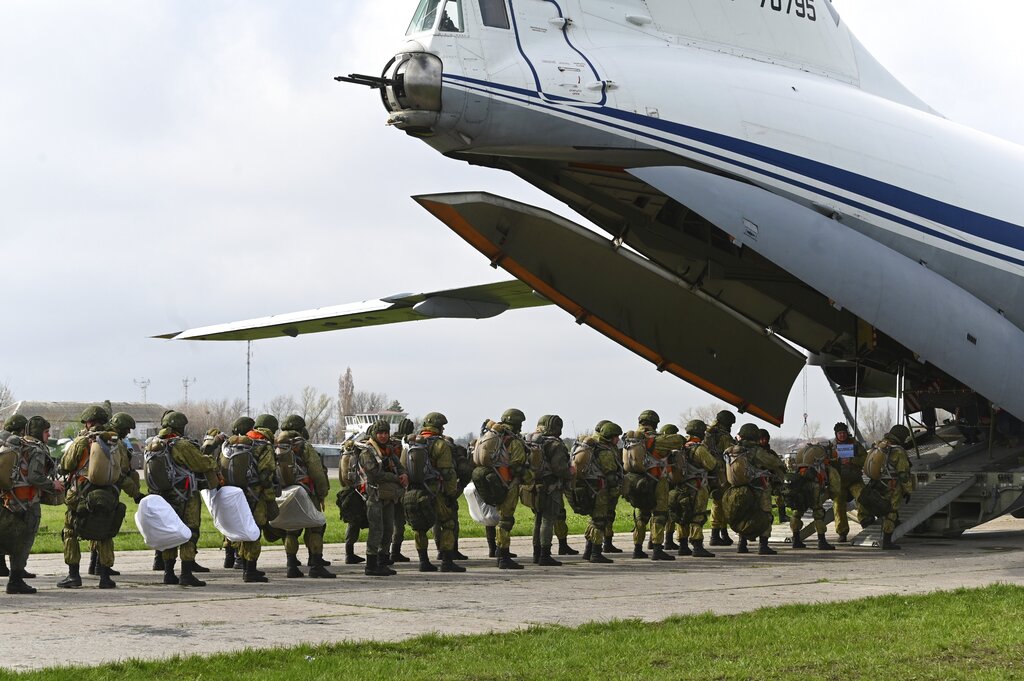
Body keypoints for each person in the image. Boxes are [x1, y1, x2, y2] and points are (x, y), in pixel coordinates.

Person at [57, 405, 140, 589]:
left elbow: (65, 465)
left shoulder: (81, 440)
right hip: (108, 494)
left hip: (80, 494)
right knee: (105, 534)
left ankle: (73, 576)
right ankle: (104, 577)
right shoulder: (115, 442)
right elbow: (123, 471)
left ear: (88, 423)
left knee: (70, 531)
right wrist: (135, 493)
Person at [150, 410, 219, 587]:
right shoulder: (181, 445)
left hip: (164, 495)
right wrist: (211, 459)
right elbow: (200, 463)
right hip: (185, 495)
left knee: (171, 531)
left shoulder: (154, 443)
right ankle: (186, 574)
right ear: (180, 427)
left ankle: (168, 573)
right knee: (189, 531)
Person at [2, 417, 63, 594]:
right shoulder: (36, 450)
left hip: (12, 500)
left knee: (13, 538)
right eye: (46, 431)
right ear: (38, 433)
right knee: (24, 542)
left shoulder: (20, 445)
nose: (49, 434)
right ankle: (15, 581)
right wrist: (54, 485)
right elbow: (34, 477)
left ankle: (15, 579)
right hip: (28, 504)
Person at [218, 416, 277, 582]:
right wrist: (270, 496)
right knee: (254, 532)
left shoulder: (233, 444)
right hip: (255, 495)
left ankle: (243, 565)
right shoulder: (264, 446)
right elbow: (266, 475)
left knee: (242, 529)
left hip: (233, 495)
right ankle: (250, 570)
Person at [404, 412, 464, 573]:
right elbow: (447, 472)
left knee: (419, 527)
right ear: (439, 427)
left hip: (414, 490)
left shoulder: (410, 444)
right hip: (435, 491)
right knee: (448, 524)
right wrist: (451, 494)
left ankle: (423, 562)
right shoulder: (440, 445)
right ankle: (447, 561)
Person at [277, 416, 334, 578]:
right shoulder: (304, 446)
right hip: (306, 492)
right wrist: (322, 493)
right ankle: (316, 565)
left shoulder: (276, 445)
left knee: (291, 530)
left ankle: (291, 566)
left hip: (285, 494)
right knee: (315, 527)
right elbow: (317, 471)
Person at [724, 423, 786, 555]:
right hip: (759, 488)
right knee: (765, 514)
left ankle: (742, 544)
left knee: (745, 514)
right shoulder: (756, 451)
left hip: (739, 488)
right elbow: (775, 463)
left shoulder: (732, 450)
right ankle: (763, 545)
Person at [622, 409, 674, 561]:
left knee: (640, 516)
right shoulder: (658, 440)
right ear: (655, 423)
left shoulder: (628, 439)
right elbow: (679, 442)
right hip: (657, 481)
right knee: (659, 514)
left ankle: (637, 549)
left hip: (636, 482)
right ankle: (657, 549)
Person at [481, 409, 530, 569]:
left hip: (494, 482)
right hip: (508, 484)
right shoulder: (513, 442)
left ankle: (497, 551)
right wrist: (529, 476)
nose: (521, 427)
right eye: (520, 424)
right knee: (506, 520)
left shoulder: (492, 437)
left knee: (496, 519)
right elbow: (517, 467)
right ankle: (503, 556)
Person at [359, 420, 408, 576]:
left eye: (386, 433)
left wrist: (403, 474)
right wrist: (395, 478)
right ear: (375, 433)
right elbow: (375, 474)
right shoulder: (368, 452)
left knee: (388, 529)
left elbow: (399, 465)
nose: (383, 436)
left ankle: (382, 561)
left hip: (389, 497)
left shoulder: (388, 450)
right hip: (375, 496)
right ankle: (371, 565)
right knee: (376, 530)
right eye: (380, 433)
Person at [527, 415, 571, 567]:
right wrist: (570, 472)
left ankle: (536, 553)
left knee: (538, 520)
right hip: (551, 487)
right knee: (548, 520)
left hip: (535, 487)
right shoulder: (555, 444)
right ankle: (545, 555)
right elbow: (560, 469)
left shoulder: (533, 442)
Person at [668, 420, 717, 558]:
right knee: (697, 516)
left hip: (680, 487)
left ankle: (683, 545)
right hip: (697, 487)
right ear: (700, 432)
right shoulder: (699, 449)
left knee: (683, 516)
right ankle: (697, 546)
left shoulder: (680, 447)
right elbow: (712, 465)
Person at [578, 421, 623, 564]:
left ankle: (588, 550)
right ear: (609, 437)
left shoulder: (594, 447)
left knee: (594, 520)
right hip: (601, 489)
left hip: (592, 488)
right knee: (600, 521)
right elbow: (610, 474)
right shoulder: (604, 451)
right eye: (616, 437)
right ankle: (596, 553)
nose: (618, 440)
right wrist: (616, 490)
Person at [865, 424, 915, 550]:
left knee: (882, 507)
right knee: (891, 511)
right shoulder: (898, 451)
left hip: (877, 483)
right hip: (892, 485)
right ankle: (887, 542)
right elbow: (903, 474)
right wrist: (908, 490)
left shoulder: (879, 446)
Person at [787, 443, 837, 551]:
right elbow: (834, 485)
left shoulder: (802, 457)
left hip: (800, 483)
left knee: (797, 511)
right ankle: (821, 541)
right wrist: (830, 494)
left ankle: (796, 540)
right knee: (818, 512)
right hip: (814, 486)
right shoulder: (823, 458)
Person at [0, 414, 29, 578]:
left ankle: (1, 565)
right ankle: (17, 570)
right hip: (9, 493)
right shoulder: (15, 444)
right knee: (13, 530)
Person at [830, 422, 868, 542]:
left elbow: (865, 458)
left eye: (843, 433)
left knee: (862, 495)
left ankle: (865, 520)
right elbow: (828, 463)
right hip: (839, 482)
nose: (841, 435)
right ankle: (842, 532)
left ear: (847, 433)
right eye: (839, 433)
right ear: (836, 435)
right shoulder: (832, 447)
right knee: (838, 504)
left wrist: (852, 460)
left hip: (854, 480)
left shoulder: (855, 445)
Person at [704, 410, 736, 546]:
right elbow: (731, 452)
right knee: (719, 503)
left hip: (711, 472)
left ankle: (723, 533)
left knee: (721, 503)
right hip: (721, 474)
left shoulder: (711, 434)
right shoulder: (724, 436)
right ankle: (715, 535)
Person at [391, 417, 415, 564]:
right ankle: (395, 551)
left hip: (388, 488)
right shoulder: (407, 444)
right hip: (402, 488)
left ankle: (385, 552)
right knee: (399, 522)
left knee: (387, 523)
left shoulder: (389, 444)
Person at [757, 429, 789, 523]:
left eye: (765, 439)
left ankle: (782, 515)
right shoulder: (757, 452)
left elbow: (778, 464)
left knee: (780, 495)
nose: (763, 441)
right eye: (761, 439)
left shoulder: (770, 452)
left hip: (773, 480)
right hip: (762, 480)